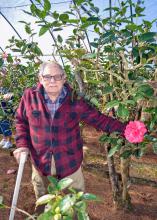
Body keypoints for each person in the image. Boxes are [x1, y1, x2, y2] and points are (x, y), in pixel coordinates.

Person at [13, 61, 127, 206]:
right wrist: (22, 145)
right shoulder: (29, 96)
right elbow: (21, 121)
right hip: (40, 161)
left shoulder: (75, 100)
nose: (52, 81)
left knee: (73, 204)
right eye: (47, 77)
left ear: (64, 78)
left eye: (57, 76)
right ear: (40, 78)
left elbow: (99, 120)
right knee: (43, 204)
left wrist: (128, 129)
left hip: (69, 163)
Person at [0, 83, 13, 149]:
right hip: (1, 109)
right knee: (1, 125)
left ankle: (9, 142)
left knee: (6, 125)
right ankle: (4, 139)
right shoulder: (1, 88)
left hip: (7, 109)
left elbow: (12, 96)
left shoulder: (8, 87)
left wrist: (7, 96)